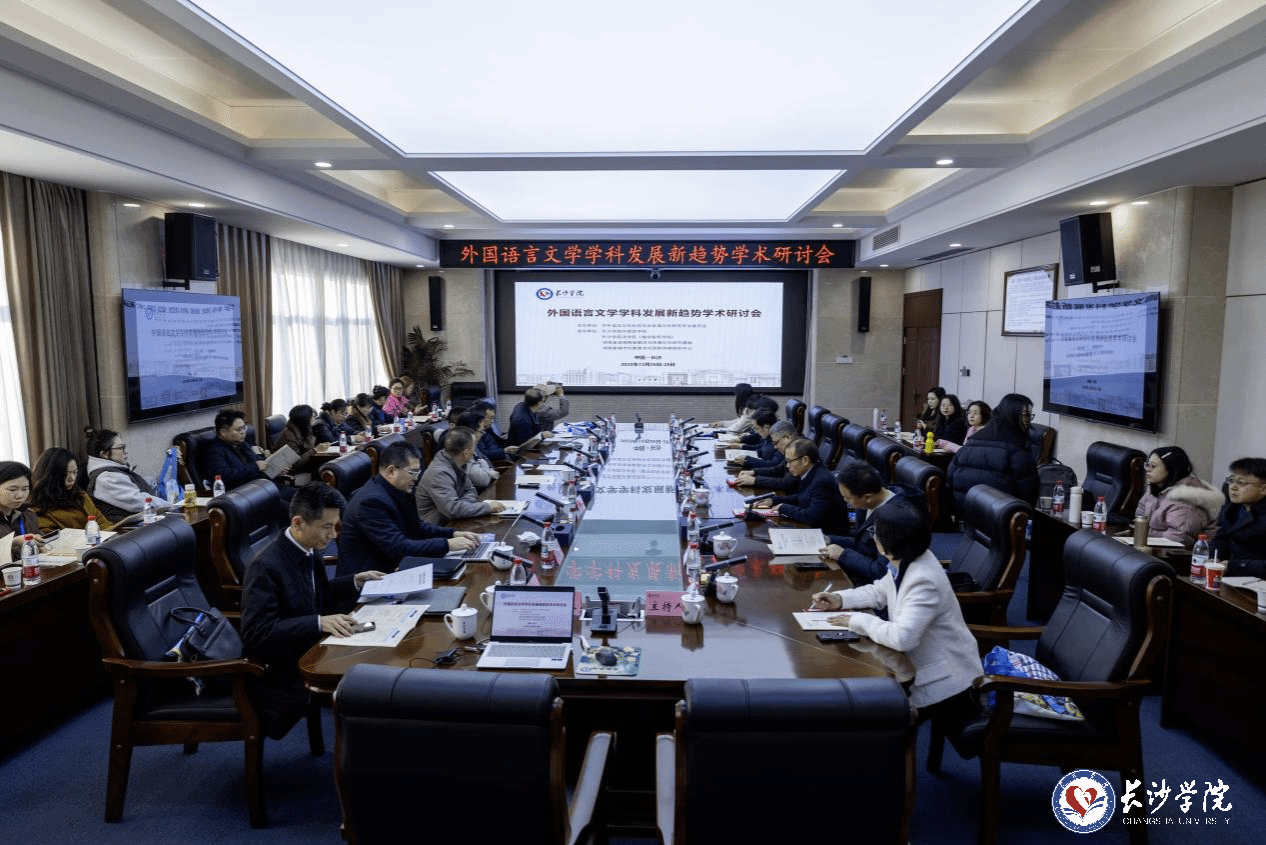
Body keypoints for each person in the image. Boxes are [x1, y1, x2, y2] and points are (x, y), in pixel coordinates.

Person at [810, 500, 982, 736]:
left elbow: (903, 638)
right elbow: (879, 592)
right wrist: (839, 599)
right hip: (920, 666)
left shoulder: (923, 579)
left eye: (875, 532)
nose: (874, 537)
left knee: (869, 718)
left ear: (886, 543)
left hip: (947, 681)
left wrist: (857, 620)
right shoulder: (908, 559)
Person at [240, 482, 383, 738]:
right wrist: (318, 622)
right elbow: (256, 633)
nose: (334, 535)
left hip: (312, 646)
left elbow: (316, 593)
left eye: (336, 526)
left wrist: (355, 581)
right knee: (369, 683)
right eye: (327, 527)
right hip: (285, 668)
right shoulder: (265, 567)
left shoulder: (308, 548)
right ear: (298, 523)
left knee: (379, 651)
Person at [336, 441, 478, 576]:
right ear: (391, 471)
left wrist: (453, 534)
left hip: (394, 567)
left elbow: (417, 527)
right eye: (412, 472)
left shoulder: (396, 490)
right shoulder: (371, 502)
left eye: (418, 472)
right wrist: (447, 545)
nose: (416, 478)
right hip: (370, 580)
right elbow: (398, 548)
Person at [820, 460, 925, 586]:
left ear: (867, 497)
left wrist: (843, 555)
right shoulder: (867, 503)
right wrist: (829, 539)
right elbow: (863, 543)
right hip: (862, 573)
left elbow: (881, 571)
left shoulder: (895, 519)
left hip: (877, 585)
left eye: (848, 498)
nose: (845, 501)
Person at [946, 393, 1039, 515]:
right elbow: (1029, 494)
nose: (1028, 421)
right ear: (1015, 417)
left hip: (965, 513)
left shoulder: (972, 441)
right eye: (1026, 415)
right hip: (1002, 518)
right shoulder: (1018, 450)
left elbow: (951, 477)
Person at [415, 428, 505, 525]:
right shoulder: (439, 473)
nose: (475, 452)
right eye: (474, 447)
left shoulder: (457, 463)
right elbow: (453, 510)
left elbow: (471, 490)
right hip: (438, 527)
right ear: (466, 453)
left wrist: (462, 505)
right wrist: (487, 507)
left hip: (455, 520)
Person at [1134, 446, 1221, 547]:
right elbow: (1139, 516)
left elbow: (1178, 537)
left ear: (1171, 468)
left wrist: (1146, 532)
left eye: (1153, 466)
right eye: (1147, 465)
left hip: (1191, 551)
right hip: (1156, 545)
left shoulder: (1187, 497)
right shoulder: (1156, 486)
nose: (1148, 470)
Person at [753, 438, 847, 528]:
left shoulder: (821, 481)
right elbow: (802, 497)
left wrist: (783, 508)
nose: (787, 466)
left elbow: (812, 516)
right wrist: (774, 500)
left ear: (805, 460)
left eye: (790, 461)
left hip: (827, 534)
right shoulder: (812, 471)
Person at [84, 426, 160, 521]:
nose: (126, 451)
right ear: (104, 454)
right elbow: (139, 502)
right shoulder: (106, 478)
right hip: (130, 527)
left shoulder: (111, 471)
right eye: (121, 448)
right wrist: (170, 506)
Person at [31, 447, 114, 532]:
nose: (72, 478)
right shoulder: (38, 507)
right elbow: (48, 535)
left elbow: (102, 523)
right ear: (51, 476)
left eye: (75, 472)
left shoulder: (81, 496)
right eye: (65, 474)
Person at [1217, 457, 1266, 577]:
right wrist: (1212, 557)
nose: (1233, 487)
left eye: (1241, 483)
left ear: (1263, 489)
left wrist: (1233, 566)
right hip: (1229, 574)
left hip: (1256, 580)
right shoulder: (1230, 509)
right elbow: (1220, 538)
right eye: (1231, 480)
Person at [202, 409, 269, 492]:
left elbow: (257, 461)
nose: (243, 432)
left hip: (259, 486)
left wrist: (271, 466)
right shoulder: (214, 452)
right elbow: (224, 477)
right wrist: (255, 467)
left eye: (244, 428)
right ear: (223, 432)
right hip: (242, 492)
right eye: (238, 430)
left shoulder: (243, 443)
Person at [734, 420, 799, 492]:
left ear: (787, 437)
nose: (775, 447)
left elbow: (786, 483)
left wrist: (755, 480)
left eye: (776, 443)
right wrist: (753, 472)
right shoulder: (792, 448)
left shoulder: (800, 451)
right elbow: (778, 470)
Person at [0, 461, 43, 563]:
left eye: (25, 489)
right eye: (12, 489)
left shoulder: (28, 514)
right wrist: (13, 543)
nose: (20, 495)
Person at [454, 410, 500, 487]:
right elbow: (483, 480)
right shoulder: (461, 449)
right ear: (471, 431)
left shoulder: (472, 444)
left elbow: (485, 459)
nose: (482, 434)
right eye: (481, 432)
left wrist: (489, 470)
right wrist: (488, 471)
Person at [274, 404, 320, 479]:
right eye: (312, 416)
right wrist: (315, 450)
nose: (314, 418)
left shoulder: (304, 429)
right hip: (292, 473)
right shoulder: (289, 437)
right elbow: (296, 463)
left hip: (306, 466)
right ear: (305, 420)